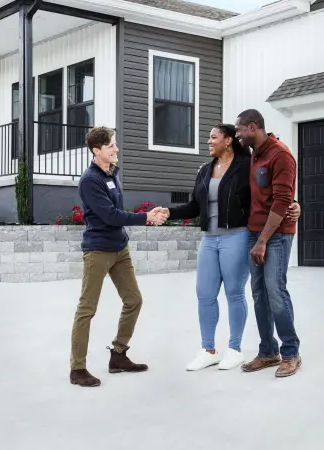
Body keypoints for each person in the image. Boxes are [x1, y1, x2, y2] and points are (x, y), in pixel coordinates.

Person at [157, 124, 300, 372]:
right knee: (204, 293)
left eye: (213, 137)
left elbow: (268, 192)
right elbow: (194, 206)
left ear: (228, 140)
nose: (208, 141)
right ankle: (208, 350)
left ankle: (234, 349)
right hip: (209, 239)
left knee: (235, 292)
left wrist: (294, 204)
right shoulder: (204, 170)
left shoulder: (246, 165)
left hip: (236, 235)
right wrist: (169, 211)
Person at [69, 126, 168, 388]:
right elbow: (110, 215)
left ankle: (119, 354)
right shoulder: (90, 180)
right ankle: (77, 368)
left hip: (119, 248)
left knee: (133, 300)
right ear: (96, 150)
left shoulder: (112, 172)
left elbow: (118, 211)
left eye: (114, 144)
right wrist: (146, 217)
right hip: (98, 250)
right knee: (87, 309)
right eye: (111, 145)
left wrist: (149, 214)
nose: (116, 148)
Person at [234, 109, 302, 378]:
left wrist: (262, 240)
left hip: (276, 234)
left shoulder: (281, 154)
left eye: (240, 129)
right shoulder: (254, 154)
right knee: (259, 293)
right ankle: (267, 352)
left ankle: (291, 353)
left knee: (275, 290)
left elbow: (283, 199)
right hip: (255, 232)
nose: (237, 134)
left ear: (253, 127)